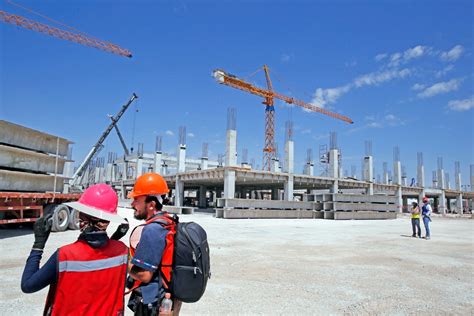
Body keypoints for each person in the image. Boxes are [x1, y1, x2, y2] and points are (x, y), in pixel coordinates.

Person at [21, 184, 130, 315]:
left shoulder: (65, 255)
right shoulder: (122, 251)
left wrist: (38, 245)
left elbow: (28, 285)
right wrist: (114, 239)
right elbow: (103, 267)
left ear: (83, 217)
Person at [126, 172, 182, 316]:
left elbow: (144, 275)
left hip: (153, 303)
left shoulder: (152, 230)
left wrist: (125, 261)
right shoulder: (168, 221)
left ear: (151, 205)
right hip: (165, 296)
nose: (132, 204)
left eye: (136, 199)